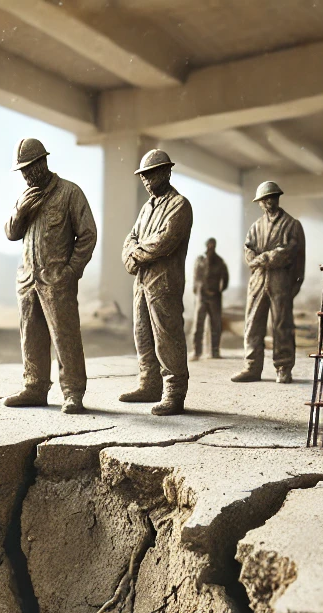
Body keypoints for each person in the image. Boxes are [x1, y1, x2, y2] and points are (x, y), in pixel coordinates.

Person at [4, 137, 97, 412]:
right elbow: (11, 233)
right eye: (22, 170)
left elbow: (88, 235)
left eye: (30, 168)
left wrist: (71, 272)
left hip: (57, 281)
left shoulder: (70, 193)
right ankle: (34, 387)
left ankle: (73, 393)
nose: (26, 175)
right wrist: (20, 212)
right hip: (28, 280)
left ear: (43, 162)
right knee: (30, 336)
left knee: (65, 336)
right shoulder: (25, 196)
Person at [120, 149, 194, 416]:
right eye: (144, 177)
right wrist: (129, 254)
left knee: (167, 334)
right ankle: (149, 384)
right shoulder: (147, 207)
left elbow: (164, 240)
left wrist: (135, 255)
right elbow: (132, 236)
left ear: (166, 172)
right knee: (142, 333)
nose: (147, 181)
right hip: (142, 280)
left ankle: (174, 392)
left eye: (151, 175)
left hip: (165, 282)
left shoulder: (180, 205)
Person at [233, 181, 306, 384]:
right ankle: (252, 367)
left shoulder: (292, 224)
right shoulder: (256, 227)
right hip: (257, 280)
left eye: (271, 198)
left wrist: (262, 259)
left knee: (282, 323)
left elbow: (289, 252)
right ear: (260, 203)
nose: (268, 203)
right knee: (253, 323)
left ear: (277, 198)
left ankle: (283, 367)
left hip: (280, 279)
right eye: (264, 200)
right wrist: (255, 258)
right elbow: (248, 249)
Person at [191, 238, 229, 359]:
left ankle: (215, 351)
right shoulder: (200, 259)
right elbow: (196, 276)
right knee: (198, 325)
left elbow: (225, 278)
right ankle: (197, 351)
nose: (210, 247)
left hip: (215, 297)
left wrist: (219, 290)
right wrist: (196, 289)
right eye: (209, 244)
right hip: (202, 296)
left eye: (213, 245)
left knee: (215, 325)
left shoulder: (219, 261)